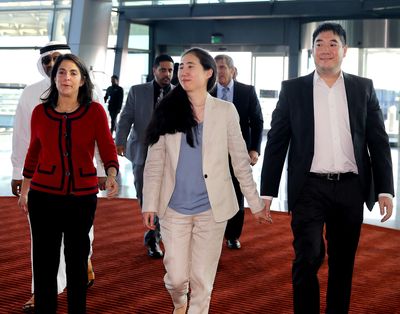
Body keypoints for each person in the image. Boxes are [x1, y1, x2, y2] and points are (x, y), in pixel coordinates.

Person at [260, 22, 394, 314]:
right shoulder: (293, 90)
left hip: (350, 188)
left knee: (343, 263)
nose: (325, 50)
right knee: (307, 256)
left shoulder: (363, 88)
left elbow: (378, 141)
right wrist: (266, 192)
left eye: (333, 43)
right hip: (309, 187)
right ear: (311, 51)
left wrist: (385, 189)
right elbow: (277, 142)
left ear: (344, 50)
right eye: (319, 43)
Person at [142, 47, 272, 314]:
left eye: (191, 66)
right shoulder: (168, 109)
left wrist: (255, 202)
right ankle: (179, 302)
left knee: (202, 279)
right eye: (182, 67)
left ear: (208, 72)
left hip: (211, 209)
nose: (184, 71)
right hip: (173, 208)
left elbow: (239, 161)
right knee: (177, 278)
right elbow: (155, 163)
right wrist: (149, 203)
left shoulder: (225, 111)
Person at [17, 53, 119, 314]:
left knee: (76, 262)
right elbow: (33, 152)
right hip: (43, 197)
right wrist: (25, 190)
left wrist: (110, 173)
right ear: (54, 78)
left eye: (73, 73)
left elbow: (107, 145)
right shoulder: (40, 112)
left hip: (81, 198)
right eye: (61, 72)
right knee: (45, 263)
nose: (66, 78)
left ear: (82, 80)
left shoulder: (95, 111)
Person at [115, 54, 175, 258]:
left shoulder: (179, 94)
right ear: (154, 70)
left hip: (170, 154)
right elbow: (125, 118)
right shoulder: (137, 91)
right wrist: (120, 141)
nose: (167, 74)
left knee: (166, 194)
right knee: (145, 194)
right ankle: (153, 233)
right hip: (142, 152)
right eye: (163, 70)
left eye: (170, 70)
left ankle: (155, 237)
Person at [212, 54, 263, 249]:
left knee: (236, 192)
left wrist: (254, 149)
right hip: (213, 152)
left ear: (233, 71)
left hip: (239, 151)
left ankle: (233, 235)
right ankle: (215, 234)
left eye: (223, 67)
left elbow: (257, 121)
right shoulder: (209, 91)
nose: (220, 71)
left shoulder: (246, 91)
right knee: (214, 193)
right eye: (216, 68)